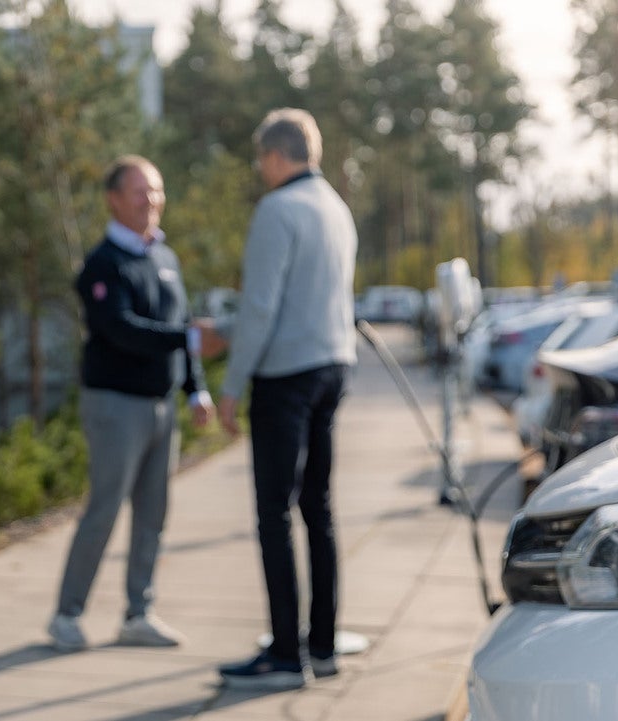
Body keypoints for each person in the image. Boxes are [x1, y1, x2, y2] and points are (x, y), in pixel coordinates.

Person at [212, 109, 358, 688]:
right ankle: (321, 646)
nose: (259, 170)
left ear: (275, 156)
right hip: (332, 368)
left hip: (287, 376)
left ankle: (282, 655)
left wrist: (230, 384)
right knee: (317, 510)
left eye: (259, 160)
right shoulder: (337, 210)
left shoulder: (277, 210)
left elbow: (261, 310)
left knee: (273, 513)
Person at [47, 155, 214, 651]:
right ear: (115, 199)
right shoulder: (102, 265)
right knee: (104, 508)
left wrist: (195, 389)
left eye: (157, 191)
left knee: (154, 513)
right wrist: (189, 340)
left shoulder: (165, 257)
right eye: (141, 192)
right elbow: (120, 331)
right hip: (116, 406)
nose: (152, 201)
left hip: (163, 406)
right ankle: (66, 615)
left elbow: (183, 332)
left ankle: (138, 613)